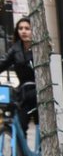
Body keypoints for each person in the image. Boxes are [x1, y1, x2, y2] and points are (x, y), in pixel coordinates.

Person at [0, 18, 37, 149]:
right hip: (24, 94)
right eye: (20, 28)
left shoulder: (40, 48)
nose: (23, 31)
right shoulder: (15, 49)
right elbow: (2, 63)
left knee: (43, 128)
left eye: (27, 28)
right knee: (20, 127)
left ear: (34, 30)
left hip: (41, 93)